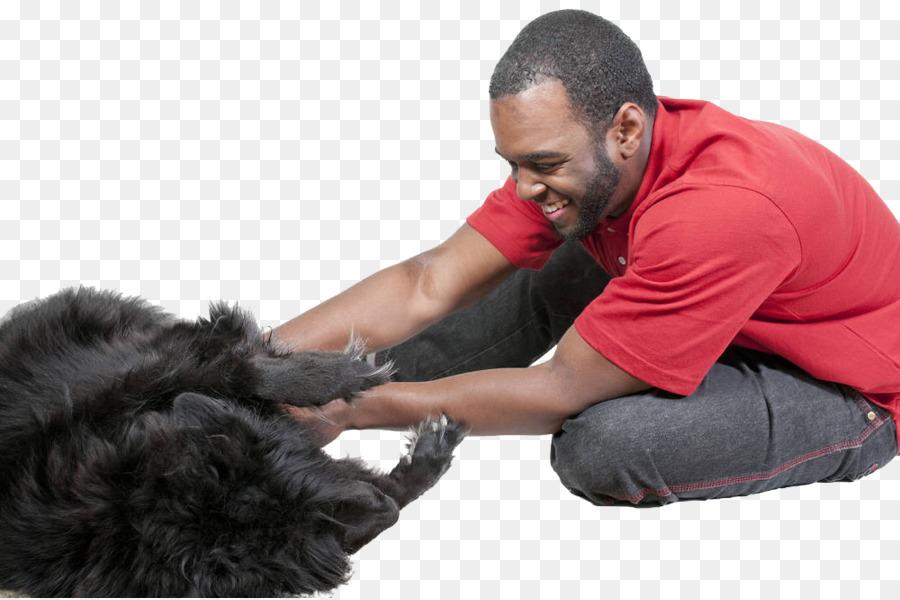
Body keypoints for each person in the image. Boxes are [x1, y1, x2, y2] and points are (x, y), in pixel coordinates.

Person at [274, 9, 900, 506]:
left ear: (626, 130)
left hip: (846, 387)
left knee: (600, 446)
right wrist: (252, 365)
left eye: (543, 164)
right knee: (553, 253)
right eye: (512, 164)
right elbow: (426, 282)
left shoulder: (720, 211)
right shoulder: (596, 163)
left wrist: (352, 412)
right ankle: (289, 401)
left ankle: (333, 402)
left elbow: (561, 388)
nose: (522, 187)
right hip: (726, 303)